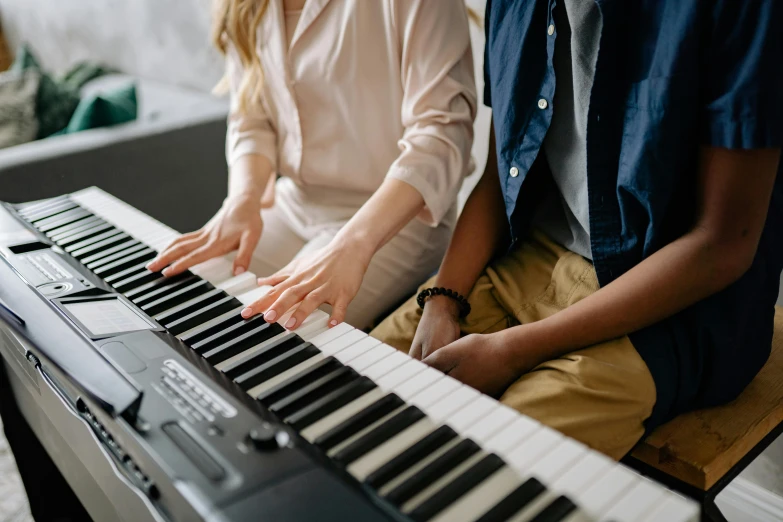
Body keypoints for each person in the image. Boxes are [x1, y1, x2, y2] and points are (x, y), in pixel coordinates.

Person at [372, 0, 783, 460]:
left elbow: (724, 245)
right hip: (533, 257)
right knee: (364, 395)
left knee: (485, 459)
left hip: (672, 305)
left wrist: (512, 350)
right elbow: (496, 175)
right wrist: (443, 300)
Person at [146, 0, 477, 331]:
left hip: (396, 222)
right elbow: (252, 118)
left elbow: (441, 135)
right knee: (183, 300)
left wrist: (351, 245)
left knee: (271, 334)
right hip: (293, 204)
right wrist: (243, 199)